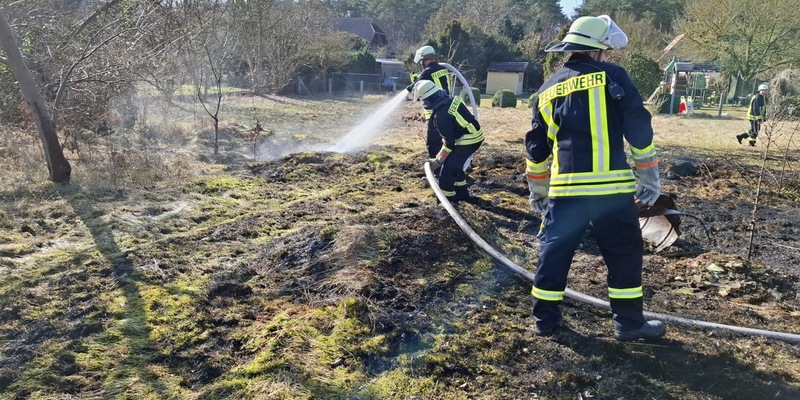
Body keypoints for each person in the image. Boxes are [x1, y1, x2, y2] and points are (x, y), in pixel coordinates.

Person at [524, 15, 666, 341]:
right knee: (623, 255)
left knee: (554, 255)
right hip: (612, 193)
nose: (610, 57)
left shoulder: (547, 89)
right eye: (607, 51)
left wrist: (539, 189)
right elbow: (638, 127)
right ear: (598, 50)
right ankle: (628, 324)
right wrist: (649, 176)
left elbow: (536, 147)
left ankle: (545, 322)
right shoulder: (614, 77)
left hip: (566, 193)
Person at [415, 79, 483, 202]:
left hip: (468, 140)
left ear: (428, 99)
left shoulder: (440, 116)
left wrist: (438, 161)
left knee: (447, 171)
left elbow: (449, 143)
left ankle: (446, 201)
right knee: (455, 166)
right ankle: (461, 194)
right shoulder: (450, 99)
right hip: (473, 135)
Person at [407, 46, 452, 163]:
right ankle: (449, 167)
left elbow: (418, 94)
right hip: (448, 108)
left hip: (434, 112)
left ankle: (435, 170)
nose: (421, 63)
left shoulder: (426, 73)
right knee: (449, 140)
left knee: (433, 143)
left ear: (425, 59)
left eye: (422, 61)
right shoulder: (442, 69)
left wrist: (415, 81)